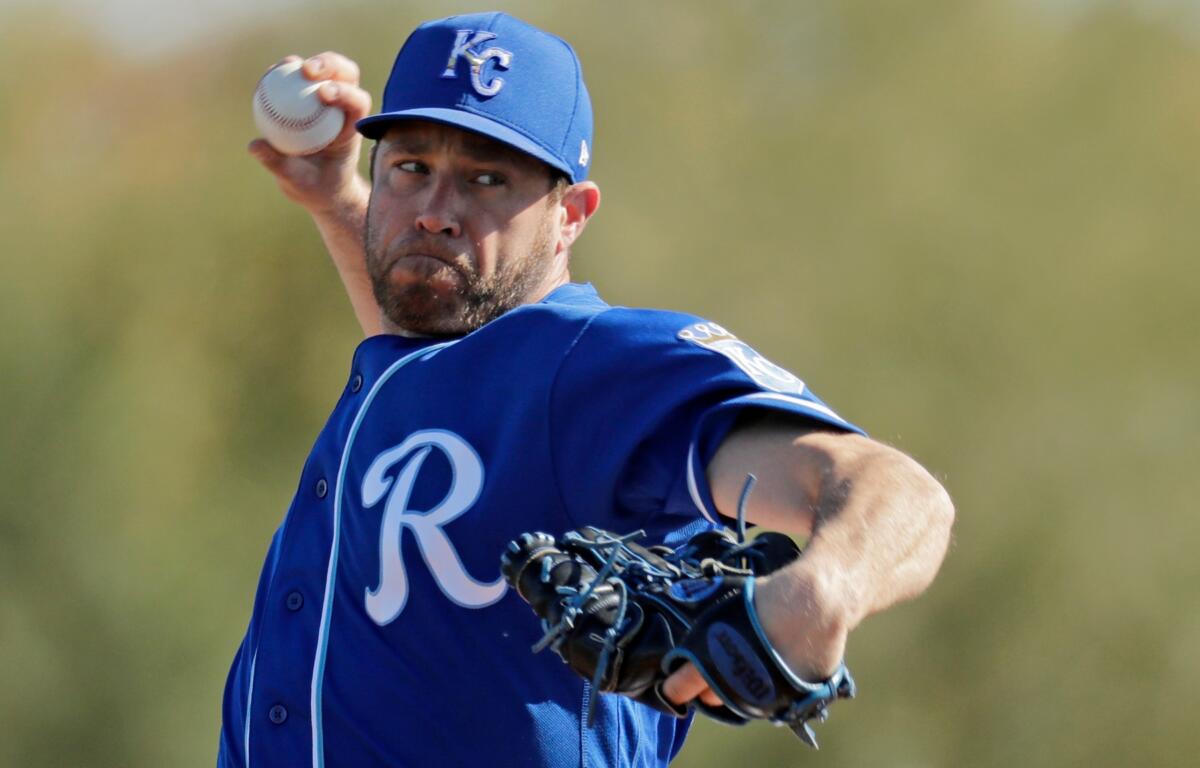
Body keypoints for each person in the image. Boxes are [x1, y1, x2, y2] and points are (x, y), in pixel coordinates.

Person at [221, 11, 955, 768]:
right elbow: (440, 357)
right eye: (411, 168)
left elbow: (903, 494)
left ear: (570, 215)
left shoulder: (594, 364)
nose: (436, 212)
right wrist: (337, 194)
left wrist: (822, 591)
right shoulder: (442, 368)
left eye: (486, 178)